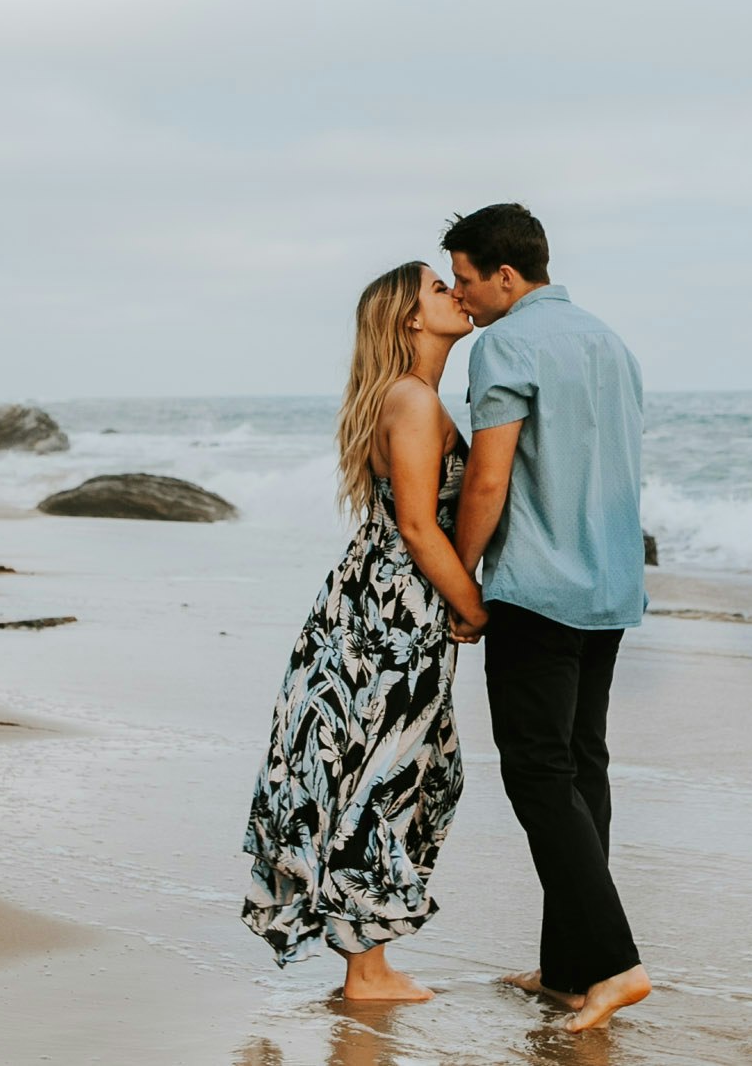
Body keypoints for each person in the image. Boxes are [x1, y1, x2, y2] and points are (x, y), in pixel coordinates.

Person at [241, 261, 491, 1000]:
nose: (455, 293)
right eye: (438, 289)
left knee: (379, 766)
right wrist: (471, 606)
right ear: (411, 319)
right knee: (389, 771)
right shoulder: (412, 400)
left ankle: (366, 958)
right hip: (392, 611)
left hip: (372, 601)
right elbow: (417, 524)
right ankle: (366, 969)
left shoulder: (407, 397)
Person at [444, 203, 655, 1033]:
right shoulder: (611, 342)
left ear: (507, 275)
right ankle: (570, 969)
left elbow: (490, 481)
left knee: (538, 775)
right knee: (580, 767)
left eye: (466, 281)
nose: (461, 299)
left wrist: (461, 578)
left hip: (536, 588)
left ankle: (614, 963)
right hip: (608, 587)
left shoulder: (507, 344)